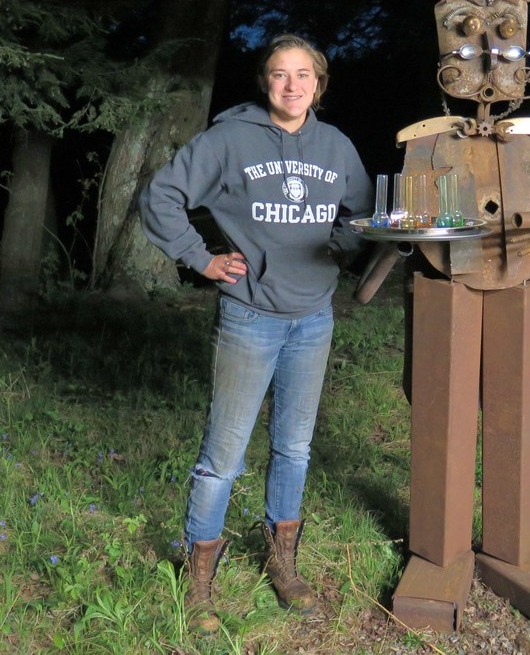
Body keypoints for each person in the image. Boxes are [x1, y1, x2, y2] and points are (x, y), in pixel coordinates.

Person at [139, 34, 373, 632]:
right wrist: (203, 258)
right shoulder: (229, 139)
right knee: (224, 457)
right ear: (264, 83)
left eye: (302, 75)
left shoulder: (337, 145)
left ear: (318, 83)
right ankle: (199, 582)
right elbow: (162, 196)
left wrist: (340, 251)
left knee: (294, 446)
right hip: (250, 315)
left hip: (313, 316)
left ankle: (282, 564)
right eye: (279, 74)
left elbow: (361, 211)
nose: (291, 85)